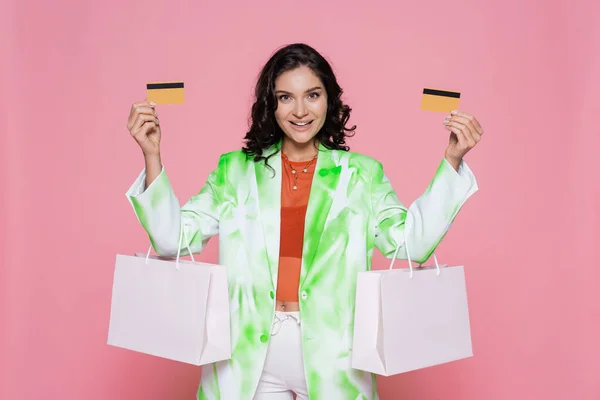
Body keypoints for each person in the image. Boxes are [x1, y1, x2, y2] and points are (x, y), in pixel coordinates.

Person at [125, 43, 483, 400]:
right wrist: (152, 155)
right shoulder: (233, 170)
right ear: (271, 103)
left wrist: (452, 160)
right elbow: (171, 240)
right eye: (285, 97)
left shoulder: (361, 175)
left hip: (336, 359)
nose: (300, 110)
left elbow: (412, 244)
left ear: (329, 99)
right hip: (246, 357)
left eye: (312, 95)